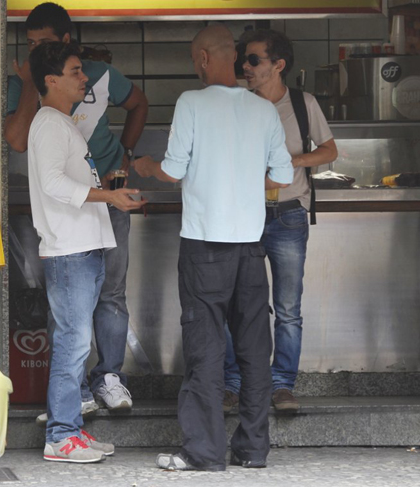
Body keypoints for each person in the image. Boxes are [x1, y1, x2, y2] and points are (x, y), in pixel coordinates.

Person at [133, 25, 293, 471]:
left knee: (205, 350)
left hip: (205, 247)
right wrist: (242, 184)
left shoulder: (192, 103)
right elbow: (281, 175)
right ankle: (253, 450)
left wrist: (145, 165)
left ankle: (204, 452)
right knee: (253, 351)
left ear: (203, 58)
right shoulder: (263, 109)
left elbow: (172, 169)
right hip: (250, 249)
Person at [5, 2, 149, 418]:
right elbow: (16, 141)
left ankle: (108, 377)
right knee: (68, 306)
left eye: (44, 44)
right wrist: (33, 82)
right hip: (68, 216)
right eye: (30, 44)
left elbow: (139, 103)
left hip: (106, 205)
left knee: (111, 293)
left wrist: (125, 155)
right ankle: (72, 397)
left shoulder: (97, 76)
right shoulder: (35, 94)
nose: (35, 50)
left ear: (67, 42)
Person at [27, 41, 146, 463]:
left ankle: (71, 429)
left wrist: (109, 197)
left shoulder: (61, 123)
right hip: (71, 251)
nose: (84, 78)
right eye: (76, 71)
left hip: (84, 248)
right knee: (73, 344)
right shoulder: (48, 124)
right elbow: (53, 184)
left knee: (75, 343)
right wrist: (108, 199)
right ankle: (61, 435)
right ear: (51, 79)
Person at [223, 29, 338, 413]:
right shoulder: (239, 104)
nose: (245, 66)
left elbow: (329, 150)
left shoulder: (303, 105)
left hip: (288, 215)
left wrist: (292, 163)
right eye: (245, 59)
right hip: (246, 214)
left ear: (278, 65)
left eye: (254, 60)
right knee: (237, 303)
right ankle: (234, 383)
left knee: (288, 307)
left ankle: (282, 384)